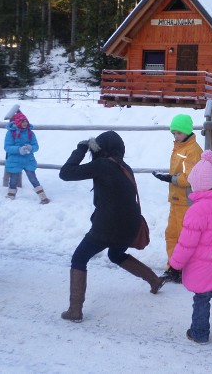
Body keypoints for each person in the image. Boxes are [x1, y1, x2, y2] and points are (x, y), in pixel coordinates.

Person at [59, 131, 166, 322]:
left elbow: (66, 173)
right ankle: (154, 280)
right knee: (115, 254)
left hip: (107, 227)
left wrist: (81, 149)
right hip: (130, 225)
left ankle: (75, 310)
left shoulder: (102, 165)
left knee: (79, 258)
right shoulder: (125, 167)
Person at [169, 150, 212, 345]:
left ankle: (199, 333)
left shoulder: (196, 211)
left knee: (201, 300)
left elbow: (187, 243)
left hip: (202, 267)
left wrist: (176, 263)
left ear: (197, 186)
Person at [152, 114, 202, 283]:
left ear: (187, 131)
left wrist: (170, 178)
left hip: (186, 202)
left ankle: (184, 268)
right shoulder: (179, 148)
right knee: (171, 234)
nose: (175, 136)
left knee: (183, 237)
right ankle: (173, 268)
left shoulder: (192, 150)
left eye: (178, 133)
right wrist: (169, 178)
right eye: (173, 133)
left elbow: (189, 177)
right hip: (175, 200)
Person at [3, 109, 50, 204]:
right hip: (14, 160)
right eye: (22, 121)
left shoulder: (30, 133)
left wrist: (30, 148)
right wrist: (18, 149)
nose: (25, 123)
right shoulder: (10, 133)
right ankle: (11, 196)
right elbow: (7, 147)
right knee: (13, 179)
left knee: (33, 178)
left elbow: (36, 146)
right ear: (17, 122)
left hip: (28, 160)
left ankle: (43, 196)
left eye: (26, 121)